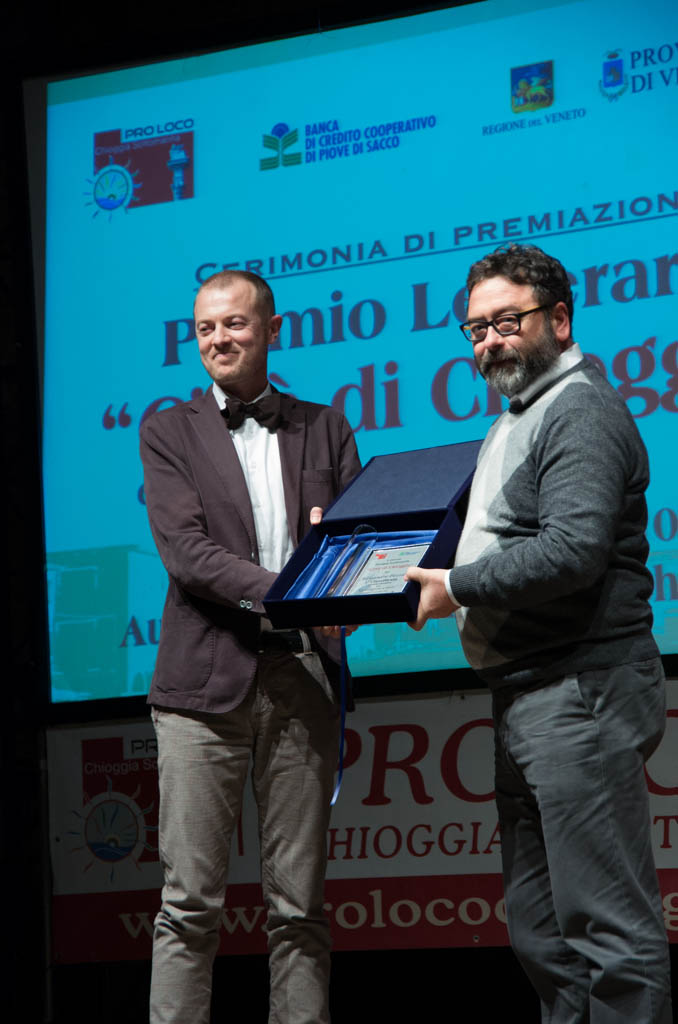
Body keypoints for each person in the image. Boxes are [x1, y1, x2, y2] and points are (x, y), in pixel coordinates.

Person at [406, 244, 672, 1023]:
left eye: (507, 321)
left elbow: (572, 552)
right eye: (476, 329)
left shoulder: (579, 410)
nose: (489, 341)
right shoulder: (515, 418)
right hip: (528, 692)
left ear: (558, 319)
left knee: (609, 934)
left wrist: (454, 587)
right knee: (543, 936)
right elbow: (483, 539)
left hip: (579, 691)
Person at [140, 269, 360, 1024]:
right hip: (202, 691)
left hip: (302, 679)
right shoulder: (169, 432)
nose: (218, 340)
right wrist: (298, 591)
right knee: (189, 905)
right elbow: (188, 556)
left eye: (234, 324)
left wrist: (352, 596)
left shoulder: (326, 427)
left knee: (300, 907)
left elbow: (358, 543)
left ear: (271, 330)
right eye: (205, 328)